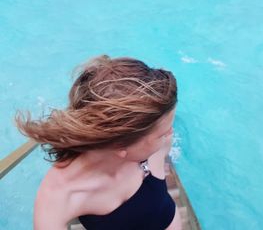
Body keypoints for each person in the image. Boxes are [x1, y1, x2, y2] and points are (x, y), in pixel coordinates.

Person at [15, 55, 182, 230]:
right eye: (162, 134)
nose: (170, 133)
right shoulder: (60, 196)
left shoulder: (154, 142)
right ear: (121, 146)